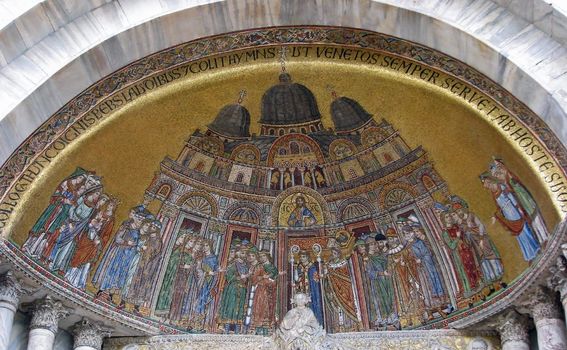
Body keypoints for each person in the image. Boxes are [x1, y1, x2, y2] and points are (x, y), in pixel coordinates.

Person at [23, 168, 88, 259]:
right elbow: (56, 193)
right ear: (77, 176)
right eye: (80, 177)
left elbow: (74, 203)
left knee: (51, 232)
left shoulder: (76, 191)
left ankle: (37, 251)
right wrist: (63, 200)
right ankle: (28, 246)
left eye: (82, 179)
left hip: (62, 214)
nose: (80, 180)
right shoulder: (66, 183)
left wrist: (71, 203)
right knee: (43, 227)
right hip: (54, 209)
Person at [480, 173, 540, 262]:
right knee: (518, 235)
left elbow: (511, 197)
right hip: (508, 214)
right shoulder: (494, 193)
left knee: (524, 229)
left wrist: (518, 208)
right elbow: (499, 207)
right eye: (486, 185)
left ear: (490, 180)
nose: (487, 186)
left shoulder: (501, 187)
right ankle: (529, 255)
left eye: (487, 183)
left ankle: (536, 248)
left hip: (514, 210)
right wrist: (496, 216)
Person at [92, 205, 147, 298]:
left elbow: (138, 243)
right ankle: (101, 289)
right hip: (119, 252)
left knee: (121, 273)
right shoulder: (126, 225)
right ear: (135, 218)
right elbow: (117, 238)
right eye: (138, 219)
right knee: (111, 270)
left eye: (142, 220)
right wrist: (127, 242)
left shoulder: (139, 232)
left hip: (129, 255)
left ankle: (110, 294)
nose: (139, 221)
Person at [65, 197, 117, 289]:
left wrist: (99, 240)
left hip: (95, 242)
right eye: (109, 204)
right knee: (79, 254)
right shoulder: (100, 212)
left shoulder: (111, 220)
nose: (109, 207)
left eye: (112, 206)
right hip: (88, 237)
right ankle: (70, 276)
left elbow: (107, 235)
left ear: (114, 207)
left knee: (87, 261)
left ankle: (79, 282)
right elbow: (89, 222)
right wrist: (92, 224)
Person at [249, 251, 278, 335]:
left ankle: (267, 329)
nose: (262, 258)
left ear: (268, 256)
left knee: (269, 309)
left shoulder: (273, 267)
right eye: (260, 256)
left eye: (263, 256)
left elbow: (276, 277)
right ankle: (258, 329)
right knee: (259, 308)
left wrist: (270, 278)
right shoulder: (259, 267)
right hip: (261, 290)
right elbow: (254, 278)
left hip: (270, 291)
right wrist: (262, 277)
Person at [294, 251, 324, 326]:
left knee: (311, 304)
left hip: (311, 290)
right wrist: (296, 273)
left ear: (307, 257)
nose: (302, 258)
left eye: (303, 257)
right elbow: (297, 279)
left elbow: (315, 279)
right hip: (301, 290)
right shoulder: (299, 267)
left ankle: (314, 323)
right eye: (301, 257)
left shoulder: (312, 267)